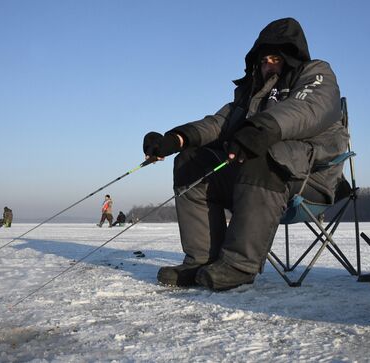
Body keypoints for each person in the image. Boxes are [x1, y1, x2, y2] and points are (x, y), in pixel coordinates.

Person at [143, 18, 348, 291]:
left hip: (309, 178)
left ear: (290, 57)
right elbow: (218, 123)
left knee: (262, 153)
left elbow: (307, 109)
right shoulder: (250, 94)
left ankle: (238, 265)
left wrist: (260, 128)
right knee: (191, 162)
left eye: (276, 58)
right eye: (264, 60)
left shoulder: (316, 75)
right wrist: (176, 138)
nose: (269, 65)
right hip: (253, 183)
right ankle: (201, 260)